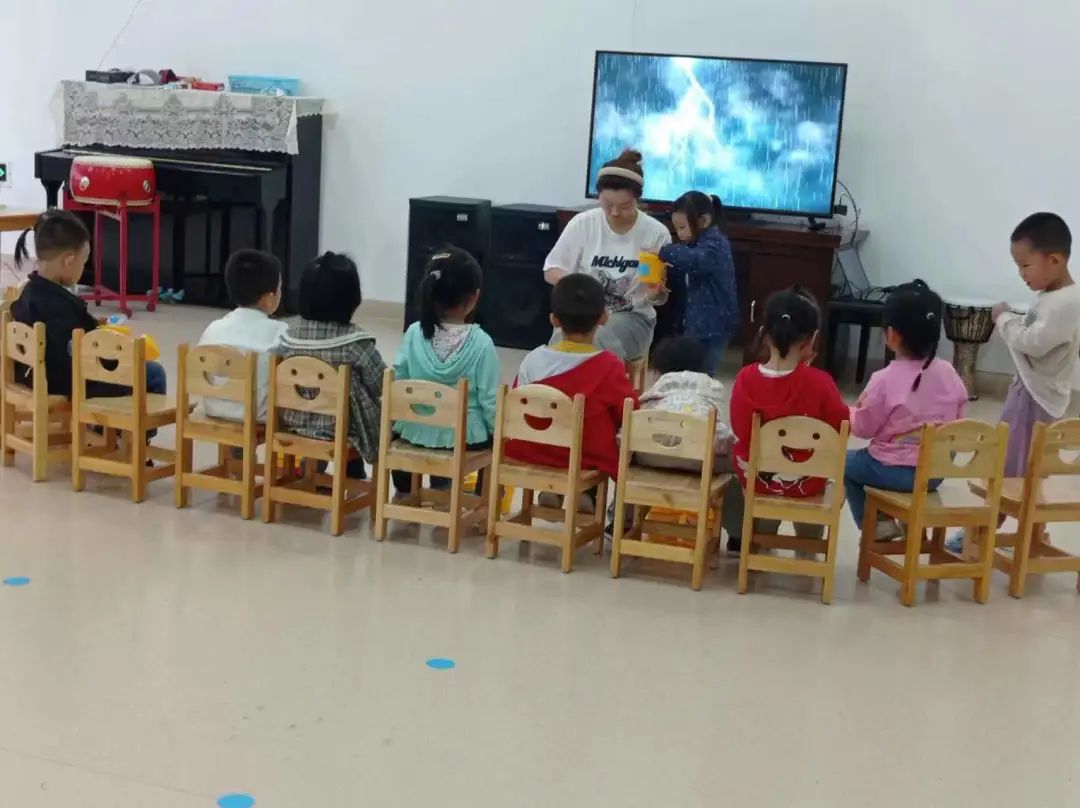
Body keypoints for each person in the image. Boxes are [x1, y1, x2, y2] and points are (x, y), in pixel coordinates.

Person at [947, 213, 1080, 552]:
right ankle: (1035, 532)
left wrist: (1004, 317)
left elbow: (1032, 342)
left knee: (1007, 468)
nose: (1021, 274)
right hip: (1041, 395)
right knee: (1031, 468)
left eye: (1025, 265)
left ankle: (981, 533)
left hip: (1033, 398)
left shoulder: (1062, 304)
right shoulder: (1060, 297)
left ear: (1055, 260)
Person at [725, 287, 849, 550]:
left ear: (764, 333)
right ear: (812, 339)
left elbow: (740, 429)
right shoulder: (821, 383)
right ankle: (809, 534)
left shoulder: (746, 378)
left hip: (758, 479)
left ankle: (757, 530)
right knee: (833, 472)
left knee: (729, 459)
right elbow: (841, 429)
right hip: (808, 481)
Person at [844, 281, 967, 538]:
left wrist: (853, 412)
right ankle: (903, 521)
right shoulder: (949, 372)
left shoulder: (883, 380)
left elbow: (864, 429)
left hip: (895, 471)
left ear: (892, 335)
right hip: (935, 472)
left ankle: (878, 527)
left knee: (844, 463)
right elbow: (959, 422)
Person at [10, 210, 167, 399]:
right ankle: (127, 419)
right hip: (70, 384)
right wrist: (117, 351)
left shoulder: (28, 292)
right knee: (153, 372)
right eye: (83, 263)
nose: (82, 269)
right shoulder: (60, 307)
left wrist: (93, 324)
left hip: (32, 377)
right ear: (69, 262)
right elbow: (79, 354)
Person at [506, 273, 638, 489]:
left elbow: (515, 405)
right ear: (604, 318)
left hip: (532, 449)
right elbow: (627, 411)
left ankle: (552, 493)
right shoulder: (609, 366)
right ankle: (587, 495)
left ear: (553, 320)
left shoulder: (532, 360)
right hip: (584, 456)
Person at [542, 148, 671, 361]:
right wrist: (580, 286)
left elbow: (657, 299)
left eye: (624, 206)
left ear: (638, 200)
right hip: (583, 314)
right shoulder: (583, 224)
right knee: (561, 340)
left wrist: (654, 292)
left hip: (632, 317)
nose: (615, 213)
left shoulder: (655, 233)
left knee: (599, 337)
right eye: (608, 205)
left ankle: (600, 381)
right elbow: (551, 270)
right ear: (598, 196)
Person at [392, 247, 499, 493]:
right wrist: (499, 433)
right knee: (496, 440)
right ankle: (469, 495)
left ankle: (405, 489)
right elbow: (490, 401)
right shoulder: (482, 343)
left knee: (400, 432)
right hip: (465, 437)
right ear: (474, 298)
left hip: (416, 429)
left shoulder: (413, 333)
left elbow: (398, 383)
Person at [278, 252, 386, 479]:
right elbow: (381, 383)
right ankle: (353, 474)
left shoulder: (287, 337)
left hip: (294, 421)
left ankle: (312, 469)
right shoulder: (354, 343)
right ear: (352, 299)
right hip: (341, 429)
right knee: (366, 412)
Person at [197, 249, 287, 421]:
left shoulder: (213, 328)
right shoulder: (279, 332)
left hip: (214, 409)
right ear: (269, 298)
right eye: (279, 288)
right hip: (258, 416)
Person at [658, 192, 738, 375]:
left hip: (713, 323)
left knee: (703, 372)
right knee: (691, 368)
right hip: (698, 322)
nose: (679, 234)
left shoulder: (715, 244)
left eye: (682, 227)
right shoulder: (698, 243)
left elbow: (697, 261)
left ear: (704, 221)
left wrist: (664, 252)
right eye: (676, 228)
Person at [636, 336, 733, 472]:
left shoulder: (655, 392)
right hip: (700, 460)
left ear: (658, 372)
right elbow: (723, 438)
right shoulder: (711, 390)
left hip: (652, 456)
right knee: (736, 457)